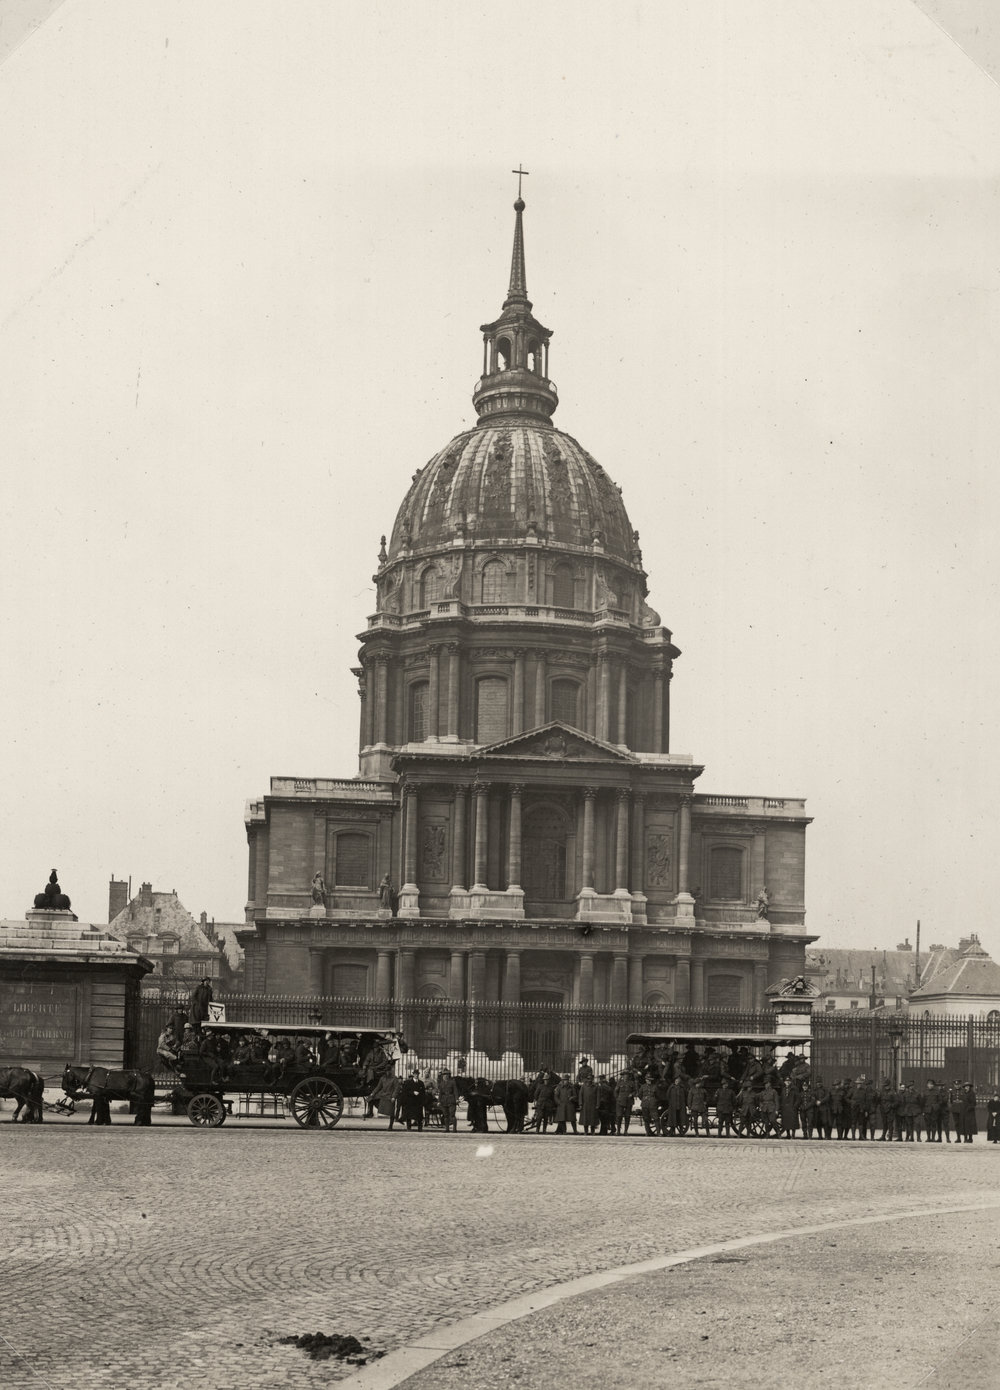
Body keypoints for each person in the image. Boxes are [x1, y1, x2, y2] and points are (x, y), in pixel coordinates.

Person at [614, 1070, 635, 1135]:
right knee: (619, 1116)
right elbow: (615, 1091)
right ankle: (618, 1131)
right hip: (620, 1101)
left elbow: (635, 1091)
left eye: (627, 1075)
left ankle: (626, 1131)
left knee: (627, 1116)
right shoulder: (619, 1083)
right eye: (624, 1075)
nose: (626, 1076)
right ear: (622, 1076)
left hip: (629, 1101)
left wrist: (632, 1094)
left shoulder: (631, 1083)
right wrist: (617, 1098)